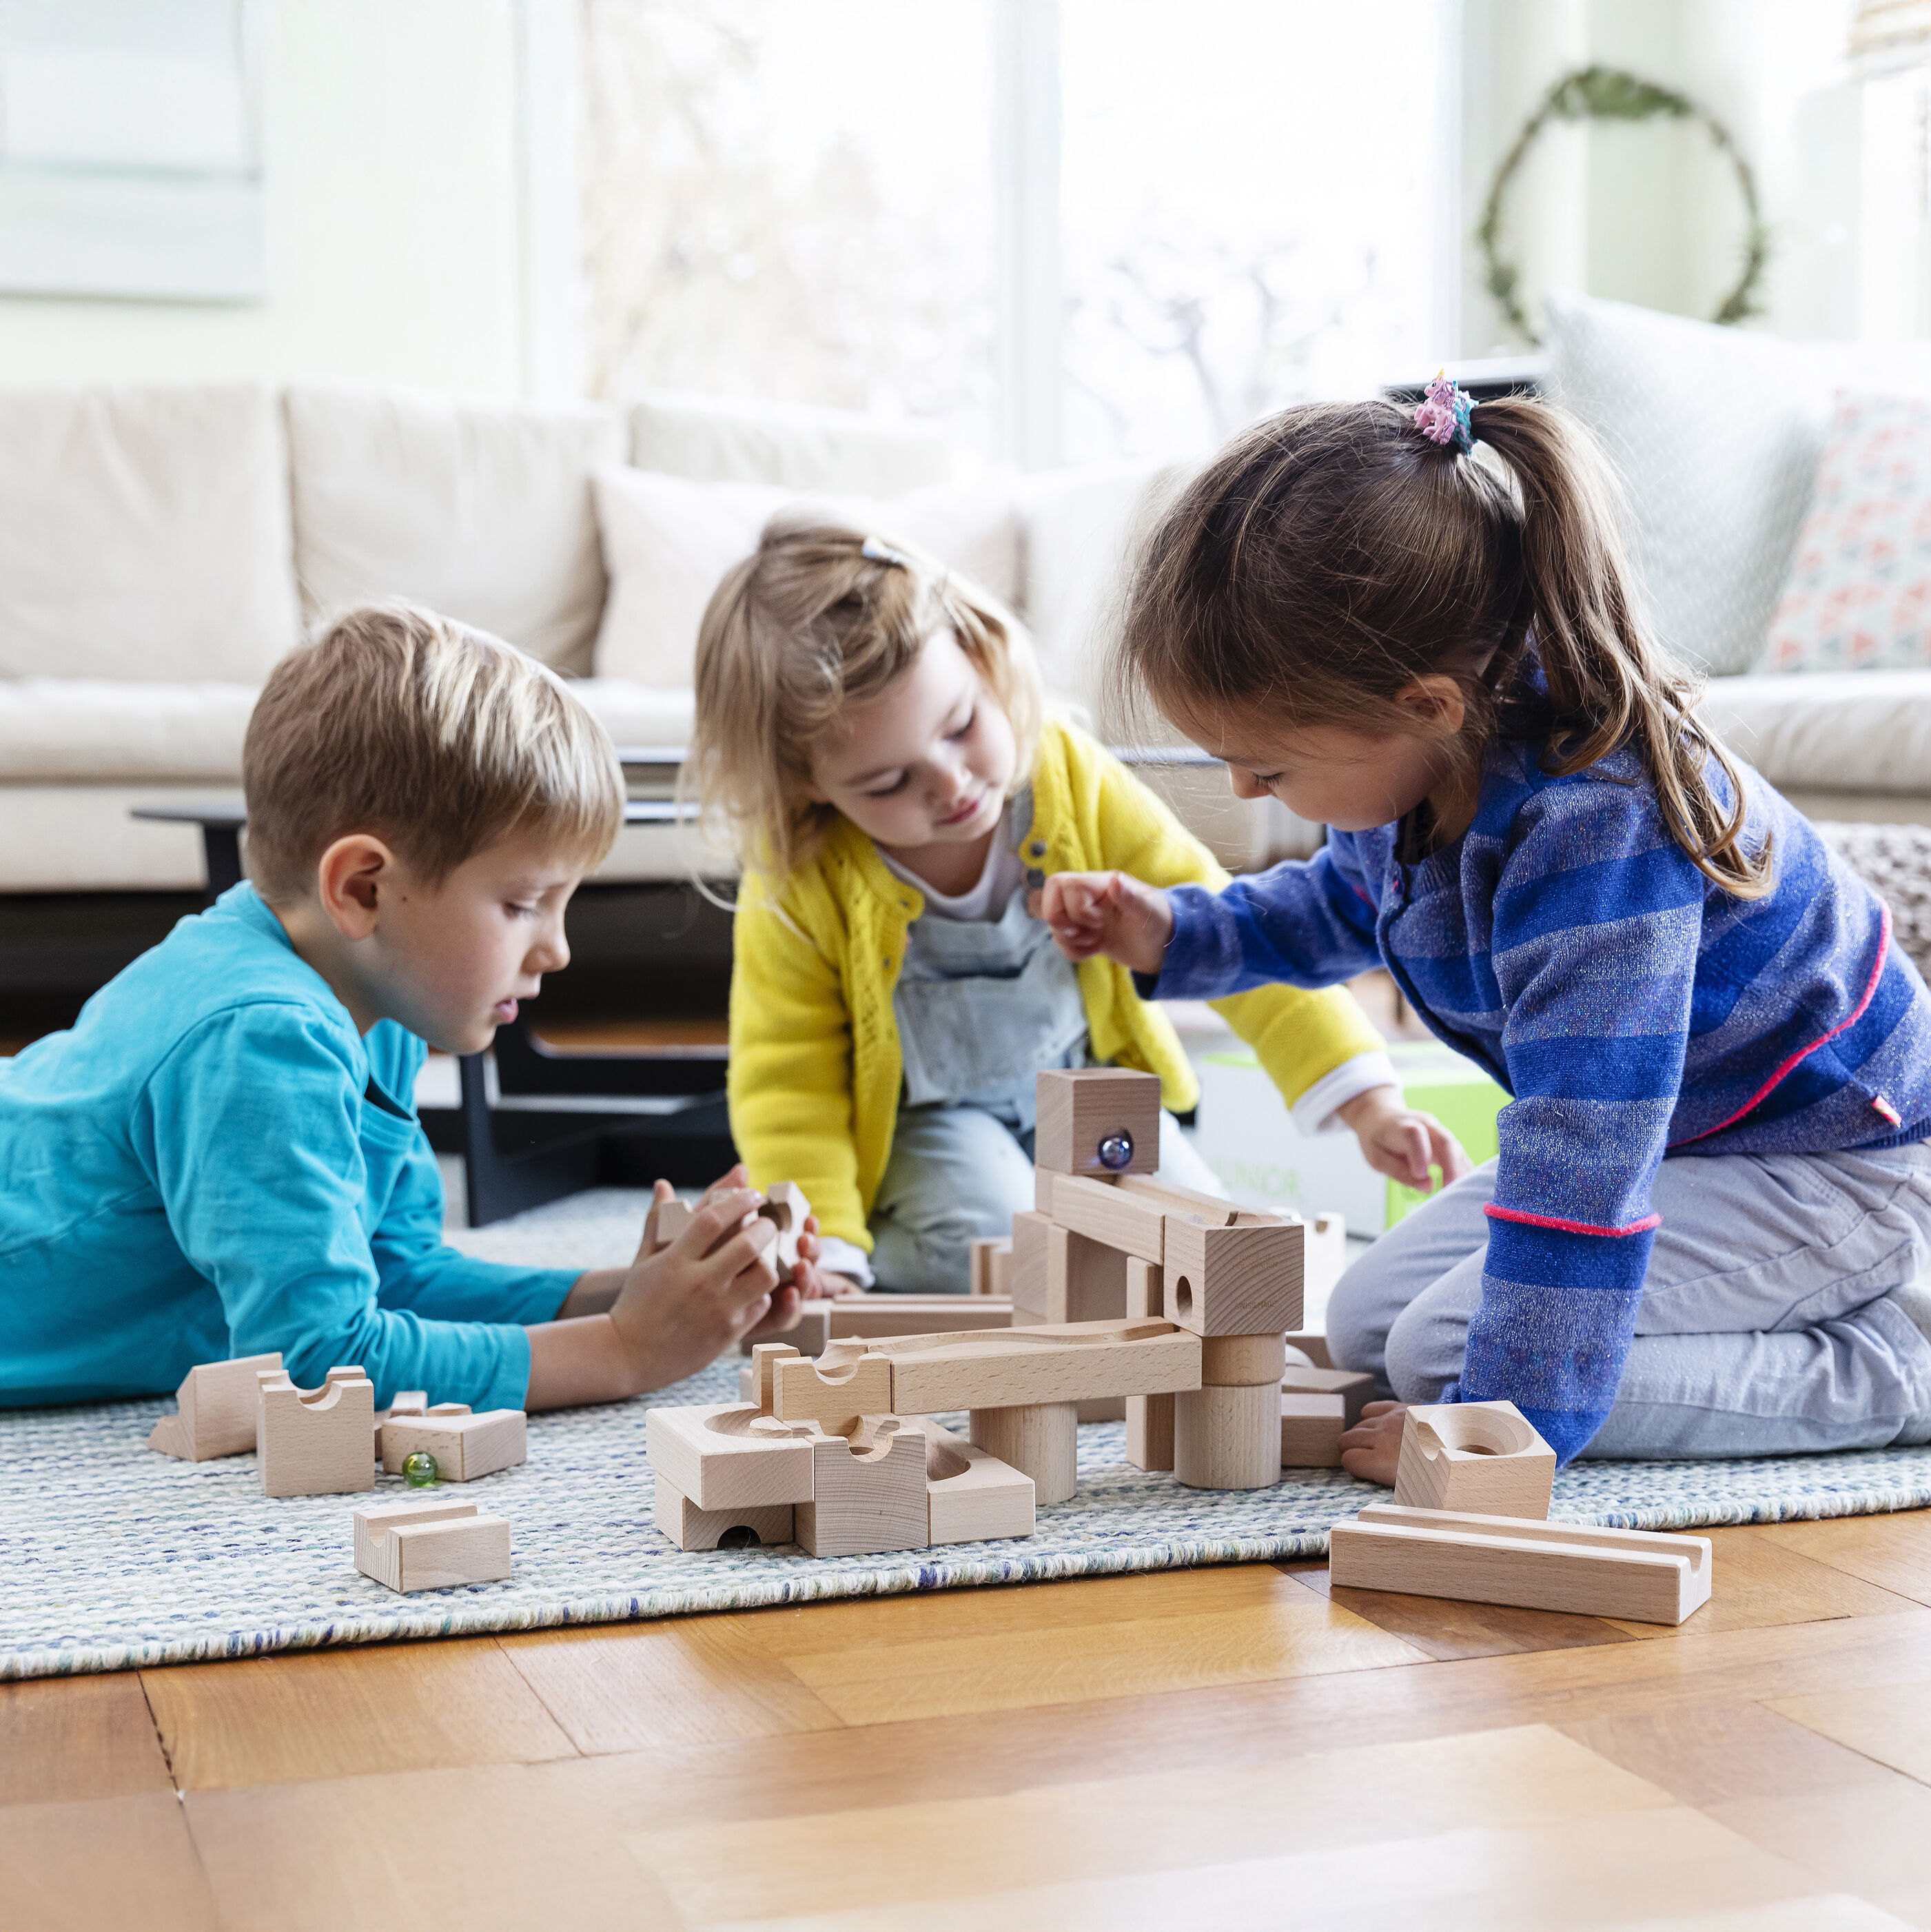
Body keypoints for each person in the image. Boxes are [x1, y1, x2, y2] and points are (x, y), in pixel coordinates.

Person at [1039, 379, 1931, 1475]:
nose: (1245, 790)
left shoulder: (1598, 835)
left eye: (1267, 765)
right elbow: (1342, 907)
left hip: (1832, 1161)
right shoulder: (1420, 773)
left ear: (1426, 705)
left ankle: (1892, 1367)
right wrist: (1175, 932)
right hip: (1686, 1139)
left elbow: (1581, 1153)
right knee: (1371, 1323)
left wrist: (1490, 1430)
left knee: (1450, 1354)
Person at [0, 604, 819, 1413]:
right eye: (523, 903)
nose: (558, 950)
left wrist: (645, 1297)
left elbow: (395, 1275)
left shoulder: (369, 996)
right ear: (363, 889)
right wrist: (628, 1349)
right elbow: (314, 1365)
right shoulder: (260, 1036)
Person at [689, 517, 1465, 1294]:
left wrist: (1366, 1100)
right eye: (888, 783)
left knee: (1201, 1237)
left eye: (963, 726)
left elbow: (1231, 931)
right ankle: (897, 1241)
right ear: (806, 785)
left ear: (984, 659)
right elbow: (788, 1080)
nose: (954, 784)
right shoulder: (800, 875)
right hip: (932, 1128)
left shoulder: (1064, 774)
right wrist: (826, 1251)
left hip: (1090, 1089)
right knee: (998, 1245)